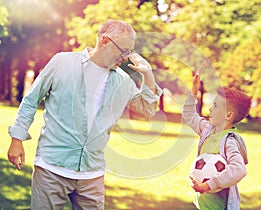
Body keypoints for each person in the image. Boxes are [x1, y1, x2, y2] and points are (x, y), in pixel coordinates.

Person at [7, 19, 162, 209]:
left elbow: (148, 109)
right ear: (105, 41)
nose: (126, 57)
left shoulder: (123, 81)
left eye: (129, 52)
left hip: (92, 174)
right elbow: (31, 100)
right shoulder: (62, 62)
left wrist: (148, 75)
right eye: (123, 51)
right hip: (52, 167)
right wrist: (17, 138)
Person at [182, 71, 251, 210]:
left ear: (228, 115)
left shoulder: (229, 142)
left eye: (216, 106)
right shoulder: (207, 130)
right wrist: (193, 92)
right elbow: (188, 115)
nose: (210, 108)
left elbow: (239, 169)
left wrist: (208, 185)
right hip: (203, 205)